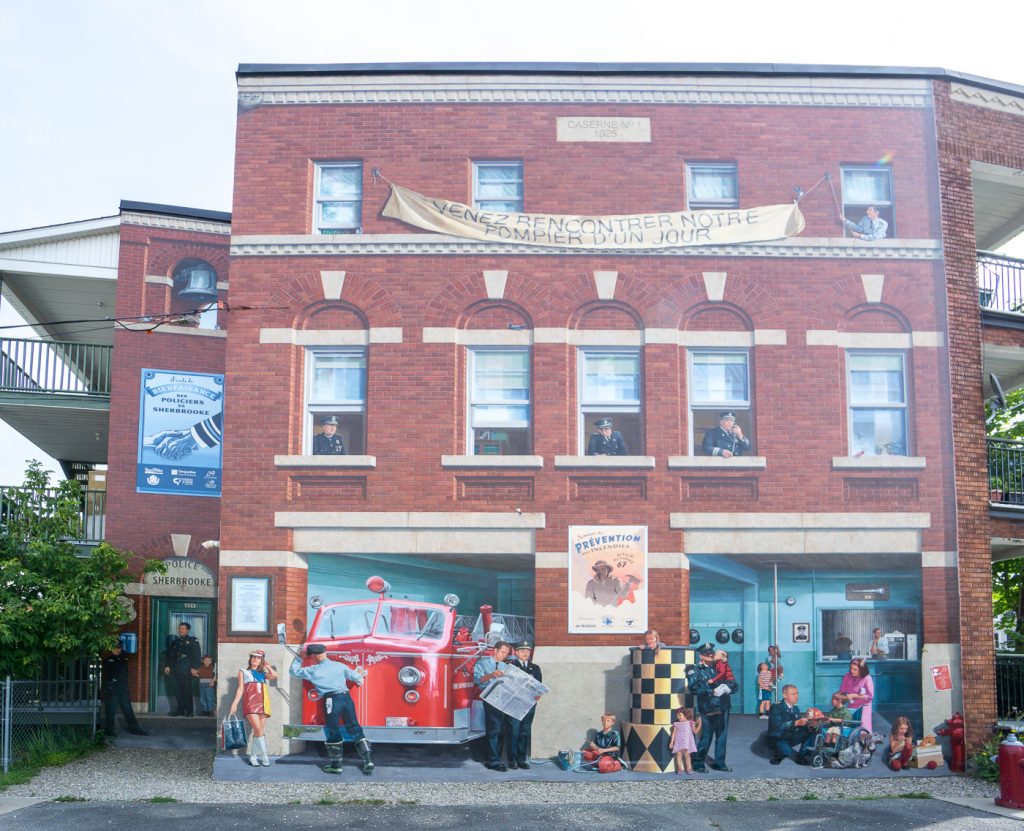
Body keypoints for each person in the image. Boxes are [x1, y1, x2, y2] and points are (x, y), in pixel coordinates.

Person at [289, 643, 374, 775]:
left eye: (311, 656)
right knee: (354, 728)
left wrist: (300, 658)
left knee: (333, 731)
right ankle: (368, 761)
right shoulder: (339, 666)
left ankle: (336, 766)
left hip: (331, 701)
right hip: (346, 698)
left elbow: (293, 671)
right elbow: (357, 678)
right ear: (324, 653)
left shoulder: (313, 670)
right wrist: (359, 674)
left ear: (315, 656)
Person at [228, 649, 278, 767]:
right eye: (253, 657)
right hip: (250, 703)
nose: (255, 659)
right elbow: (240, 689)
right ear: (250, 659)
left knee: (258, 731)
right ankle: (265, 755)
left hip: (263, 703)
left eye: (258, 658)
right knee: (258, 730)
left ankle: (253, 757)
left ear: (261, 660)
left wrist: (268, 666)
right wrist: (234, 703)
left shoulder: (262, 674)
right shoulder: (243, 672)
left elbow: (275, 676)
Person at [687, 643, 731, 772]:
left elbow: (733, 682)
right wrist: (711, 691)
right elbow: (694, 688)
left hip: (723, 706)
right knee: (706, 736)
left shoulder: (719, 667)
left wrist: (729, 688)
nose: (711, 655)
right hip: (708, 708)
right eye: (707, 653)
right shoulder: (694, 670)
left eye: (712, 653)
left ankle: (720, 763)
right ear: (701, 656)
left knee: (722, 736)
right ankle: (698, 763)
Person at [473, 639, 513, 771]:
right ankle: (493, 762)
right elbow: (478, 680)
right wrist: (492, 675)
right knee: (493, 730)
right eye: (502, 652)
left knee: (502, 730)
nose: (504, 656)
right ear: (495, 650)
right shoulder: (482, 663)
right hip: (490, 700)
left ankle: (497, 759)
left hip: (503, 701)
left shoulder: (506, 667)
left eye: (506, 654)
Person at [507, 641, 543, 770]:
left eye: (527, 651)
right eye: (522, 651)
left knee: (525, 732)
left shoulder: (535, 668)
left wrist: (539, 694)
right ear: (516, 652)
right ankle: (512, 760)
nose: (525, 653)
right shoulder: (511, 666)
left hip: (529, 704)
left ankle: (522, 759)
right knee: (513, 732)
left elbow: (539, 686)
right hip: (515, 703)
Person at [101, 642, 149, 738]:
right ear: (111, 649)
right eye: (115, 648)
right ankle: (109, 730)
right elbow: (107, 675)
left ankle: (135, 729)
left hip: (123, 689)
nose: (117, 650)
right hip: (113, 689)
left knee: (128, 710)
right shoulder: (108, 660)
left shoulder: (122, 659)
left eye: (119, 648)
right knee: (111, 710)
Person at [767, 684, 813, 764]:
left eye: (797, 693)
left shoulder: (795, 708)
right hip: (778, 738)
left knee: (809, 730)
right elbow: (776, 726)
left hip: (790, 737)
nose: (796, 696)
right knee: (793, 756)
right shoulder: (776, 707)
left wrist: (808, 722)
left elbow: (799, 726)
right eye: (793, 694)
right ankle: (781, 754)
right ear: (785, 695)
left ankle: (804, 754)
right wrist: (796, 723)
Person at [163, 622, 201, 716]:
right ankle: (180, 710)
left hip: (187, 668)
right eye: (179, 628)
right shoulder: (176, 642)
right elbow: (172, 655)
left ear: (187, 630)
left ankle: (189, 711)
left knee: (187, 690)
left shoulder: (193, 641)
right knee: (178, 690)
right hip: (176, 669)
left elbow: (197, 655)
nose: (180, 630)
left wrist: (194, 667)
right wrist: (168, 666)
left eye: (182, 629)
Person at [839, 658, 875, 733]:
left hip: (864, 707)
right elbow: (842, 691)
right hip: (851, 706)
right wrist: (843, 698)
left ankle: (866, 743)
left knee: (863, 728)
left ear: (861, 670)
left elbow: (870, 697)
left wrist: (854, 696)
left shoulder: (867, 678)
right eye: (851, 668)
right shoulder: (847, 677)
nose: (852, 671)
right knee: (850, 727)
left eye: (855, 669)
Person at [670, 707, 701, 775]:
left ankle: (688, 769)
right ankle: (680, 769)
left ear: (685, 715)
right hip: (678, 741)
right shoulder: (676, 724)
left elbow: (695, 731)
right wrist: (671, 742)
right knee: (679, 754)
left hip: (687, 742)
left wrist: (699, 724)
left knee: (687, 755)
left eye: (680, 715)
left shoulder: (690, 723)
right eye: (677, 715)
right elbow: (674, 733)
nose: (678, 717)